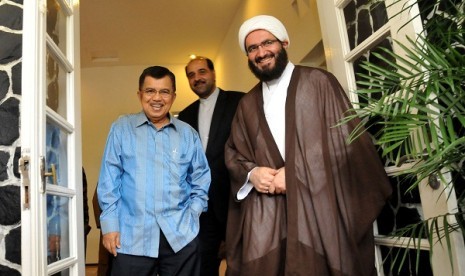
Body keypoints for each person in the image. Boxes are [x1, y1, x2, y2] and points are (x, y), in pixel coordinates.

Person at [224, 15, 393, 275]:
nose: (261, 52)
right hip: (269, 216)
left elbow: (347, 143)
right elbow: (233, 151)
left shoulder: (320, 82)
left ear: (284, 42)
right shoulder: (246, 104)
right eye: (252, 48)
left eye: (267, 43)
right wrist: (252, 174)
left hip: (320, 207)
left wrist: (296, 174)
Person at [97, 66, 211, 276]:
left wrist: (193, 215)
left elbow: (201, 180)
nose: (157, 98)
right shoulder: (121, 129)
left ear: (173, 96)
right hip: (131, 238)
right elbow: (109, 181)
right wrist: (110, 226)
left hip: (180, 237)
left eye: (164, 92)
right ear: (140, 94)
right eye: (150, 91)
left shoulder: (188, 134)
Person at [178, 57, 244, 276]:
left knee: (241, 261)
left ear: (213, 73)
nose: (197, 78)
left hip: (235, 200)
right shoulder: (184, 115)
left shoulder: (239, 101)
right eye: (191, 75)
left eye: (201, 71)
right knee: (204, 263)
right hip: (201, 206)